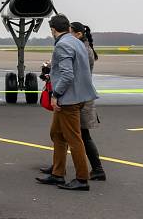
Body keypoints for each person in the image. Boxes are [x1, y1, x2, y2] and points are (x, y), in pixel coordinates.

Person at [36, 14, 98, 191]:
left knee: (74, 139)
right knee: (56, 133)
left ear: (53, 30)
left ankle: (82, 178)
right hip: (79, 96)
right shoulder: (76, 42)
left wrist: (56, 94)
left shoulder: (62, 44)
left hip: (68, 99)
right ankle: (57, 174)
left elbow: (67, 74)